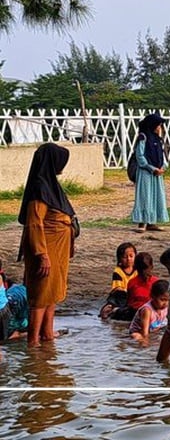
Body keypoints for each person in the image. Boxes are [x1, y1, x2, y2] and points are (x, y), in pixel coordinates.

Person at [18, 142, 77, 347]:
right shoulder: (40, 189)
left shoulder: (52, 187)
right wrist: (42, 254)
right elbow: (34, 224)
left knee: (52, 294)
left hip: (58, 251)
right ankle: (33, 342)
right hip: (46, 250)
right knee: (41, 295)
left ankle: (47, 334)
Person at [131, 113, 170, 233]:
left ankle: (152, 222)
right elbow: (140, 156)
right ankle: (142, 222)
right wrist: (151, 168)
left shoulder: (158, 139)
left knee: (156, 196)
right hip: (146, 172)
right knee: (145, 196)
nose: (160, 128)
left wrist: (163, 167)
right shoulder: (143, 137)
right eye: (158, 125)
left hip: (157, 173)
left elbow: (163, 155)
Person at [99, 242, 137, 320]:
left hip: (133, 294)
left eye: (131, 256)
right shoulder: (118, 271)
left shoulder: (137, 270)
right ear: (120, 258)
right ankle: (110, 309)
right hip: (121, 294)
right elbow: (117, 288)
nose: (128, 259)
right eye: (125, 257)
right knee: (118, 298)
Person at [121, 251, 158, 321]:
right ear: (136, 268)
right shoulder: (132, 283)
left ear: (151, 267)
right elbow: (129, 302)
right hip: (134, 314)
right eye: (141, 269)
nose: (144, 272)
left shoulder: (156, 283)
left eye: (146, 268)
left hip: (151, 313)